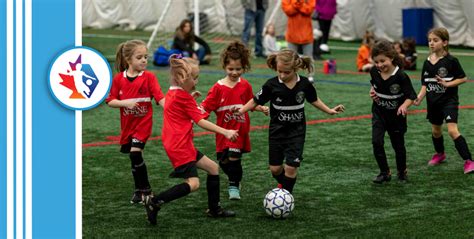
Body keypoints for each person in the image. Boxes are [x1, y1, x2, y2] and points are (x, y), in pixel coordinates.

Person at [143, 54, 239, 226]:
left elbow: (178, 108)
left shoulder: (173, 92)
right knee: (193, 184)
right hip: (179, 146)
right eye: (194, 78)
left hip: (179, 142)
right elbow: (201, 121)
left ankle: (214, 209)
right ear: (181, 79)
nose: (196, 82)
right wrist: (225, 131)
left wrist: (191, 98)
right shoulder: (183, 97)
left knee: (213, 168)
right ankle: (154, 202)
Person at [235, 49, 344, 194]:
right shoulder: (271, 85)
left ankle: (286, 197)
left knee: (291, 168)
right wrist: (241, 111)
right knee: (275, 169)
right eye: (279, 71)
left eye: (287, 72)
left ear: (295, 68)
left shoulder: (304, 84)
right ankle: (285, 185)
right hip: (277, 131)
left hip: (296, 132)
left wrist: (329, 110)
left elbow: (314, 100)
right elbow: (255, 101)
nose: (282, 75)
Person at [199, 41, 269, 200]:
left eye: (239, 69)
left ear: (244, 67)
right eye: (231, 69)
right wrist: (194, 116)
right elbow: (206, 107)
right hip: (223, 132)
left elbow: (250, 104)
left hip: (240, 131)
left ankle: (233, 186)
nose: (235, 72)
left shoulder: (245, 86)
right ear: (224, 67)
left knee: (234, 156)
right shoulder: (217, 88)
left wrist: (260, 108)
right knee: (224, 162)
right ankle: (236, 179)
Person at [105, 39, 165, 204]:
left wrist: (174, 109)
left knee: (135, 152)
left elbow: (160, 98)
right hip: (127, 126)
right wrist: (125, 103)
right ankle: (139, 191)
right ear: (128, 60)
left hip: (143, 125)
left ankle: (146, 190)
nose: (144, 60)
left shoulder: (149, 77)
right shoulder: (119, 79)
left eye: (145, 56)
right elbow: (110, 101)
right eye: (140, 57)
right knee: (133, 157)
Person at [413, 27, 474, 174]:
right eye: (429, 41)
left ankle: (469, 161)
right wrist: (420, 97)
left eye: (435, 40)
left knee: (452, 131)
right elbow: (425, 84)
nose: (431, 43)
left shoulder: (451, 61)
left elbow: (463, 78)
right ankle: (440, 154)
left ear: (445, 42)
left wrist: (448, 84)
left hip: (449, 102)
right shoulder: (427, 63)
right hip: (433, 103)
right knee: (436, 131)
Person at [368, 40, 417, 183]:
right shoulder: (374, 71)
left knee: (398, 146)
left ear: (392, 58)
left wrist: (404, 106)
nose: (379, 65)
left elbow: (411, 96)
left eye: (383, 61)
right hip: (379, 113)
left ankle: (402, 171)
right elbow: (374, 85)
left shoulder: (401, 76)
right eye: (376, 62)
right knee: (376, 142)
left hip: (396, 116)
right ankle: (384, 172)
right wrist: (372, 91)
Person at [282, 0, 316, 82]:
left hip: (306, 33)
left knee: (308, 58)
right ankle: (290, 76)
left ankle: (310, 76)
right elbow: (288, 11)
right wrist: (299, 3)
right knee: (290, 58)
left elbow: (308, 11)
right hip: (292, 34)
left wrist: (298, 4)